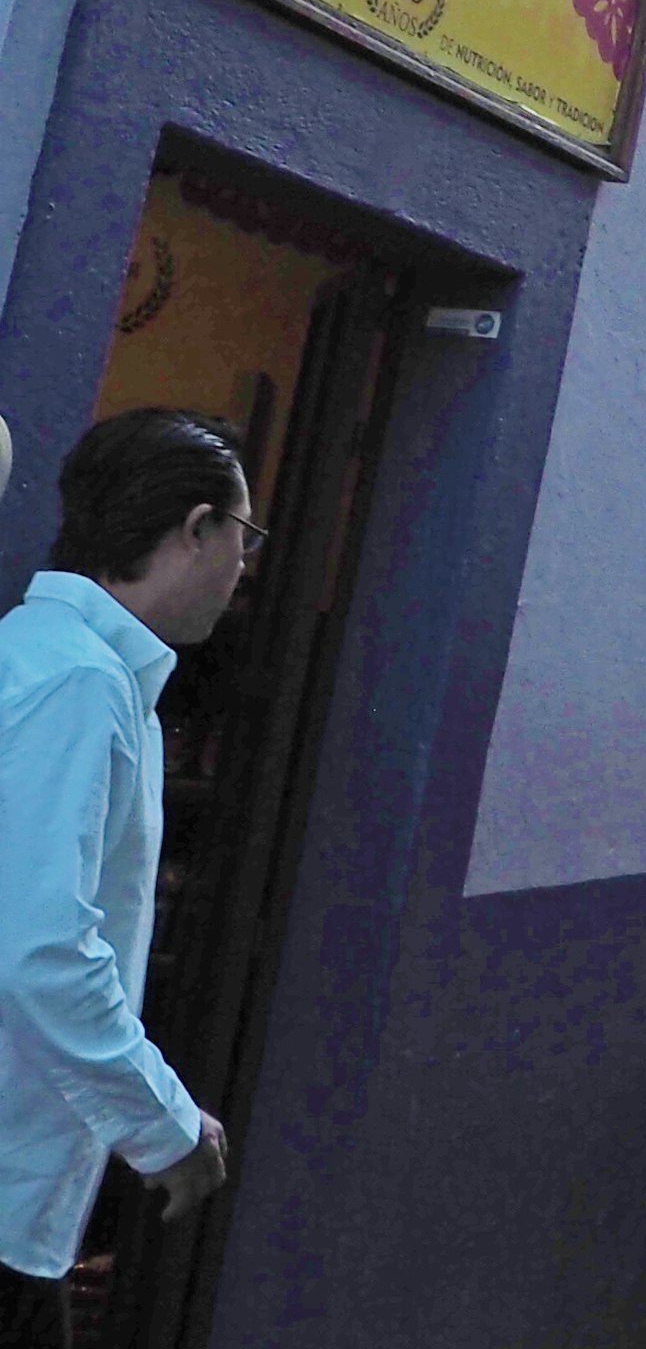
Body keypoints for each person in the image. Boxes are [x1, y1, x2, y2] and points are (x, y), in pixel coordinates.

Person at [1, 413, 257, 1349]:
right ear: (196, 530)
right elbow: (40, 949)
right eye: (244, 535)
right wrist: (163, 1123)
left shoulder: (78, 673)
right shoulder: (77, 685)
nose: (244, 567)